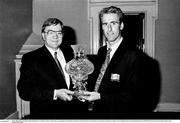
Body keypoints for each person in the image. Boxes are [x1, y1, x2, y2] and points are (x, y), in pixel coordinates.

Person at [82, 6, 161, 118]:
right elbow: (102, 81)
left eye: (113, 23)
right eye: (105, 24)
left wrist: (100, 96)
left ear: (121, 25)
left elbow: (134, 95)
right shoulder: (102, 51)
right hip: (98, 111)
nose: (109, 29)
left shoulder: (134, 56)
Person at [17, 18, 88, 119]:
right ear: (43, 35)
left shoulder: (70, 55)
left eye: (59, 32)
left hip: (73, 114)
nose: (55, 36)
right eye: (50, 32)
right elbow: (24, 91)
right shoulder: (31, 58)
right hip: (47, 116)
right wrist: (55, 94)